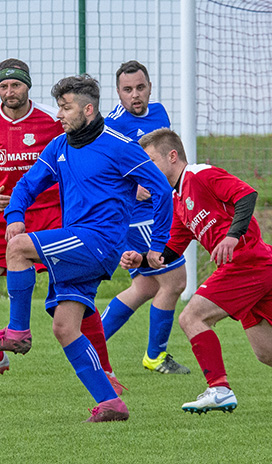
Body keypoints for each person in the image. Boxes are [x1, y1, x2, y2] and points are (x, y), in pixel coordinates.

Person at [0, 75, 174, 422]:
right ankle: (111, 403)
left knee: (18, 249)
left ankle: (18, 332)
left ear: (88, 109)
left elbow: (161, 189)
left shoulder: (119, 145)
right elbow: (27, 184)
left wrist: (158, 244)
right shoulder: (60, 146)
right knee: (65, 327)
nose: (60, 115)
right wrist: (15, 215)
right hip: (79, 238)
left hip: (100, 241)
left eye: (66, 108)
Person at [122, 128, 272, 414]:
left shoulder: (201, 175)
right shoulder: (178, 200)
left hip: (249, 263)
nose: (145, 170)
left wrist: (232, 236)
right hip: (261, 268)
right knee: (269, 353)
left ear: (172, 156)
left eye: (149, 161)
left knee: (192, 317)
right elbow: (170, 250)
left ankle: (219, 389)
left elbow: (246, 195)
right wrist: (143, 261)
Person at [0, 59, 123, 396]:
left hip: (51, 214)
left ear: (28, 86)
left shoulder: (55, 119)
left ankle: (105, 370)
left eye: (16, 85)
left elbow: (81, 150)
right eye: (4, 86)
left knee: (75, 293)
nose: (10, 91)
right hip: (3, 216)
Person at [101, 60, 190, 375]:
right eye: (127, 90)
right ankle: (155, 356)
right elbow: (101, 168)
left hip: (156, 210)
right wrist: (132, 185)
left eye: (140, 87)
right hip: (135, 217)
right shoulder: (110, 125)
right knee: (175, 281)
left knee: (146, 287)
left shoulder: (160, 113)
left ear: (150, 86)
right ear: (118, 92)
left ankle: (88, 342)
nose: (135, 95)